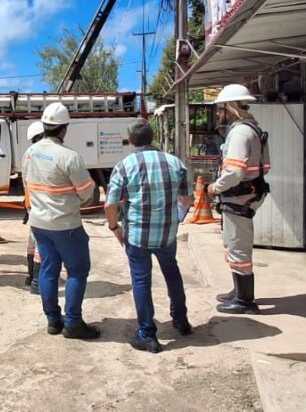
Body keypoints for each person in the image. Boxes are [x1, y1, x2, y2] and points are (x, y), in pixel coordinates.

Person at [105, 119, 194, 354]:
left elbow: (110, 204)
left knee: (141, 281)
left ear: (131, 140)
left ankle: (147, 333)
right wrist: (176, 218)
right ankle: (181, 320)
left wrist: (115, 229)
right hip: (167, 234)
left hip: (137, 236)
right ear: (152, 137)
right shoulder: (176, 163)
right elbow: (187, 200)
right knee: (172, 273)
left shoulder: (125, 165)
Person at [23, 103, 100, 339]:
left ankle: (53, 321)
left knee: (48, 269)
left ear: (45, 127)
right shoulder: (69, 157)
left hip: (39, 224)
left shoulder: (30, 153)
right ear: (64, 128)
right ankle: (73, 323)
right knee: (77, 271)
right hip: (66, 226)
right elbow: (87, 192)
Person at [206, 84, 270, 315]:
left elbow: (234, 172)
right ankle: (238, 291)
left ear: (230, 108)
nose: (219, 114)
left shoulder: (240, 132)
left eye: (221, 109)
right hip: (245, 194)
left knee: (238, 247)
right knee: (233, 245)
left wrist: (214, 187)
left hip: (239, 196)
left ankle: (245, 300)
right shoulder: (251, 129)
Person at [21, 121, 46, 294]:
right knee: (40, 244)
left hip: (31, 203)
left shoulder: (28, 153)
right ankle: (37, 282)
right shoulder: (46, 153)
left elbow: (25, 181)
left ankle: (30, 276)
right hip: (44, 205)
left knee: (32, 242)